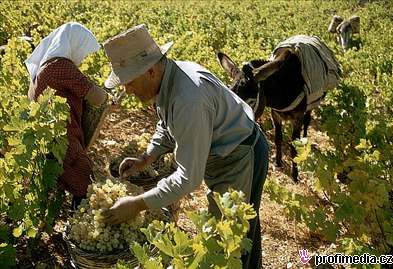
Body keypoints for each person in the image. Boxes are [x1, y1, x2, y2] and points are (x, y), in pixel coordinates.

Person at [102, 24, 268, 269]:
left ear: (149, 71)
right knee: (240, 234)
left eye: (128, 81)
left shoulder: (189, 99)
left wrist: (137, 204)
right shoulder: (168, 79)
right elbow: (166, 123)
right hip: (223, 153)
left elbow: (189, 178)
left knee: (230, 241)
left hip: (240, 156)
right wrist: (147, 157)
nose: (126, 90)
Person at [25, 22, 107, 208]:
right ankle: (80, 226)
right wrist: (106, 96)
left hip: (51, 133)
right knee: (82, 176)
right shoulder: (60, 66)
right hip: (62, 136)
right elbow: (96, 97)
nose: (84, 56)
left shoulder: (48, 65)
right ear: (74, 44)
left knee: (69, 175)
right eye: (83, 50)